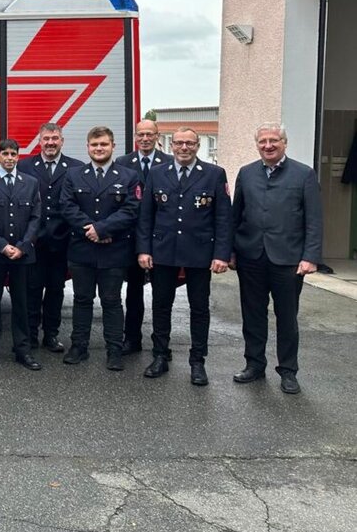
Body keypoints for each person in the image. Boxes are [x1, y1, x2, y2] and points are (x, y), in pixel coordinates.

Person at [230, 122, 323, 395]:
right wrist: (231, 252)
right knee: (253, 315)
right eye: (263, 141)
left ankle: (288, 371)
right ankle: (254, 365)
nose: (268, 146)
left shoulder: (303, 174)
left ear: (284, 143)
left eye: (274, 140)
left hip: (289, 260)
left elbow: (314, 220)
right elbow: (236, 216)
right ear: (257, 144)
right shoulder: (246, 174)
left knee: (287, 317)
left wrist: (310, 257)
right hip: (251, 256)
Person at [137, 127, 231, 386]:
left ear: (198, 145)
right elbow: (146, 216)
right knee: (161, 305)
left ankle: (197, 361)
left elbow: (223, 218)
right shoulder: (157, 174)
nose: (184, 148)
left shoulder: (214, 174)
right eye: (179, 143)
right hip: (163, 251)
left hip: (199, 252)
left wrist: (221, 254)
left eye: (189, 143)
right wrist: (144, 249)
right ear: (171, 146)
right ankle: (159, 355)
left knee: (199, 308)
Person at [59, 126, 141, 371]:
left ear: (113, 146)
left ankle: (114, 350)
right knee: (82, 299)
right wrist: (90, 229)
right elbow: (67, 206)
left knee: (112, 301)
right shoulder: (74, 175)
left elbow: (131, 209)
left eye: (104, 144)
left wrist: (103, 230)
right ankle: (79, 347)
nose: (99, 149)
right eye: (94, 145)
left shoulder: (128, 176)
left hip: (114, 250)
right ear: (88, 147)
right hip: (82, 250)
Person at [0, 139, 42, 371]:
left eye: (14, 153)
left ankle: (23, 351)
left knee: (22, 305)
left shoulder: (31, 183)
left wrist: (23, 246)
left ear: (18, 156)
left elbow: (36, 217)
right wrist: (2, 246)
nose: (10, 157)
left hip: (23, 256)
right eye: (5, 153)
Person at [17, 122, 84, 352]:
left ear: (62, 141)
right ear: (39, 140)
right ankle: (32, 335)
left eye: (55, 138)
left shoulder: (76, 168)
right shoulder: (25, 166)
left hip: (61, 241)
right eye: (46, 139)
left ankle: (51, 335)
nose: (50, 143)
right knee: (32, 290)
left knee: (56, 291)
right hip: (34, 242)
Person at [115, 119, 171, 354]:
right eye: (141, 134)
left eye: (150, 134)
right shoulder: (122, 162)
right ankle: (132, 339)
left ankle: (162, 345)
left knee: (162, 295)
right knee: (133, 291)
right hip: (132, 237)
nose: (145, 138)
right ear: (135, 137)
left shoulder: (169, 162)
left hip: (161, 238)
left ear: (157, 136)